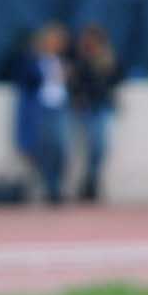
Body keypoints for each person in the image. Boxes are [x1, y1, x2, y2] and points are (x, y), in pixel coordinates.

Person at [13, 21, 71, 204]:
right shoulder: (34, 61)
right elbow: (25, 81)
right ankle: (50, 187)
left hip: (60, 108)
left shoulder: (64, 61)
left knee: (60, 147)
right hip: (42, 108)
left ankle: (57, 185)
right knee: (45, 148)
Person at [69, 23, 125, 202]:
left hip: (102, 105)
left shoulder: (107, 58)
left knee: (100, 146)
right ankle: (89, 182)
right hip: (88, 106)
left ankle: (91, 180)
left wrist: (107, 65)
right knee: (93, 144)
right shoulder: (79, 60)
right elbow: (75, 84)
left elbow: (117, 78)